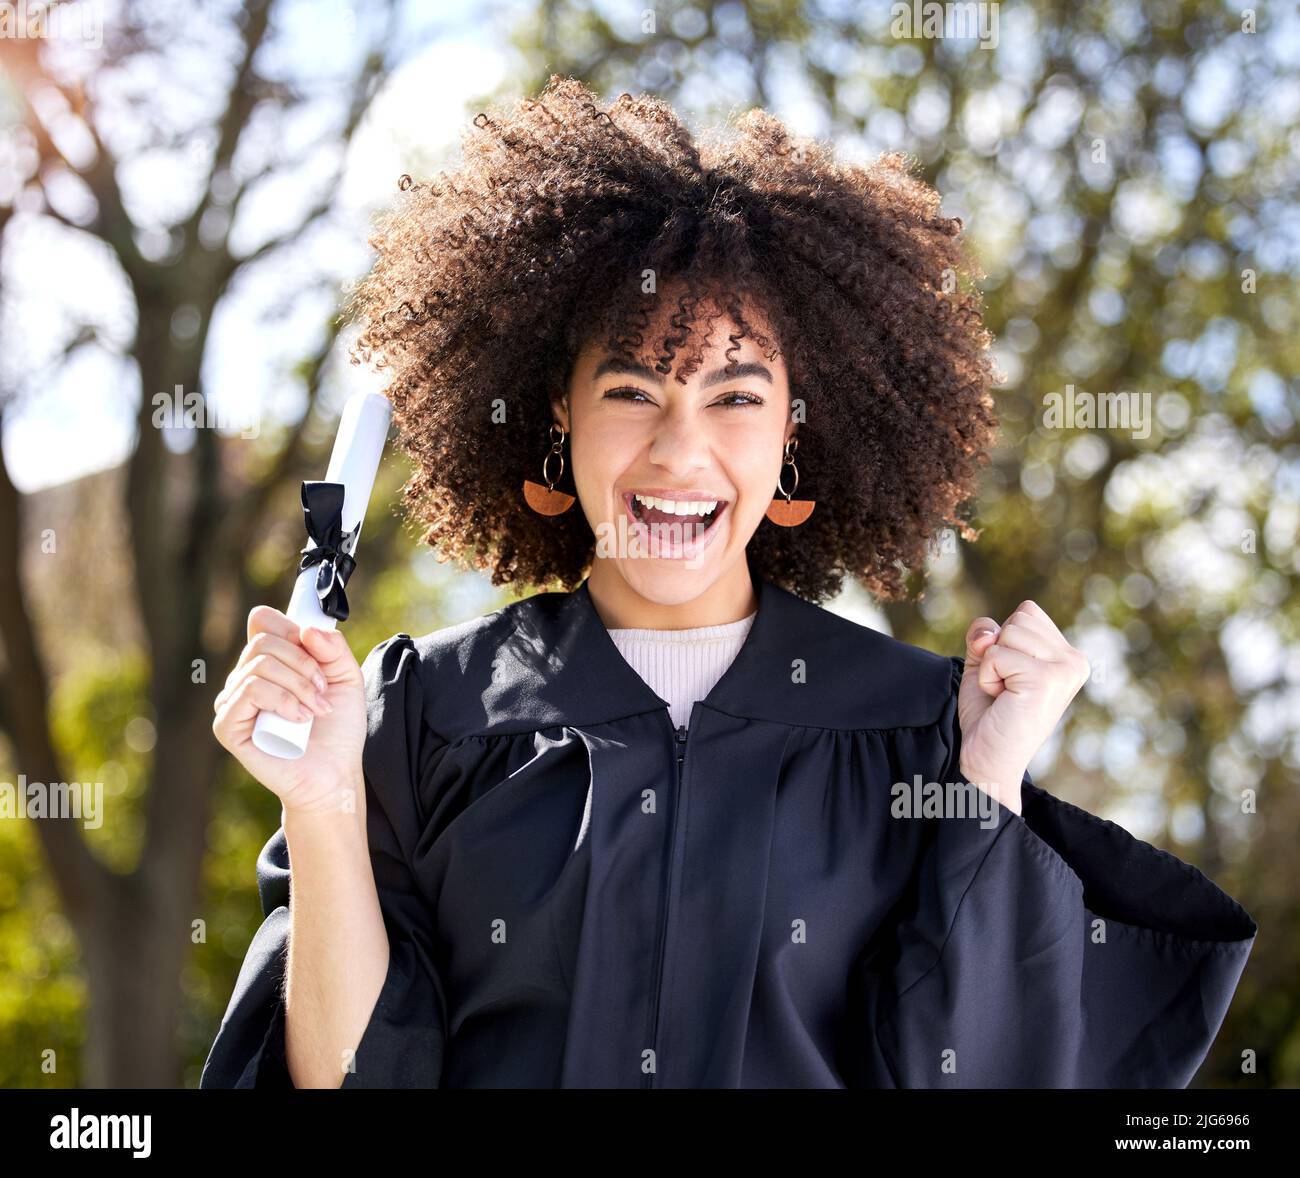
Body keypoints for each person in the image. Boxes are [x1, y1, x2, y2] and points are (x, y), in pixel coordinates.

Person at [201, 77, 1255, 1089]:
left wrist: (986, 785)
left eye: (736, 395)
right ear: (554, 418)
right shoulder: (420, 716)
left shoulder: (916, 724)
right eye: (629, 386)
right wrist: (327, 800)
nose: (678, 449)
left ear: (796, 429)